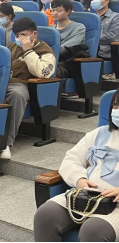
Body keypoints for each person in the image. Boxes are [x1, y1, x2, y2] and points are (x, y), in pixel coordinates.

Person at [34, 90, 119, 242]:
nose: (116, 111)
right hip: (84, 196)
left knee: (93, 231)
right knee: (45, 215)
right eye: (115, 106)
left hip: (116, 206)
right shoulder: (99, 133)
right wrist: (79, 179)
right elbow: (71, 160)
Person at [3, 18, 56, 160]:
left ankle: (7, 143)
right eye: (17, 35)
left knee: (17, 94)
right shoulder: (11, 47)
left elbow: (42, 72)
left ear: (34, 34)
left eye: (23, 35)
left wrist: (28, 51)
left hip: (23, 85)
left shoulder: (44, 50)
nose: (20, 39)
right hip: (4, 83)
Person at [51, 0, 87, 79]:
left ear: (68, 11)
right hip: (50, 60)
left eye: (58, 11)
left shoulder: (79, 28)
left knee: (46, 72)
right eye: (53, 10)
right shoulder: (51, 30)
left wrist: (46, 54)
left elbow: (66, 47)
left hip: (67, 63)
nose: (54, 13)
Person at [91, 0, 119, 78]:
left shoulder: (115, 17)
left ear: (107, 1)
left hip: (105, 51)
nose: (94, 1)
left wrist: (92, 40)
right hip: (89, 50)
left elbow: (113, 36)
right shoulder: (90, 17)